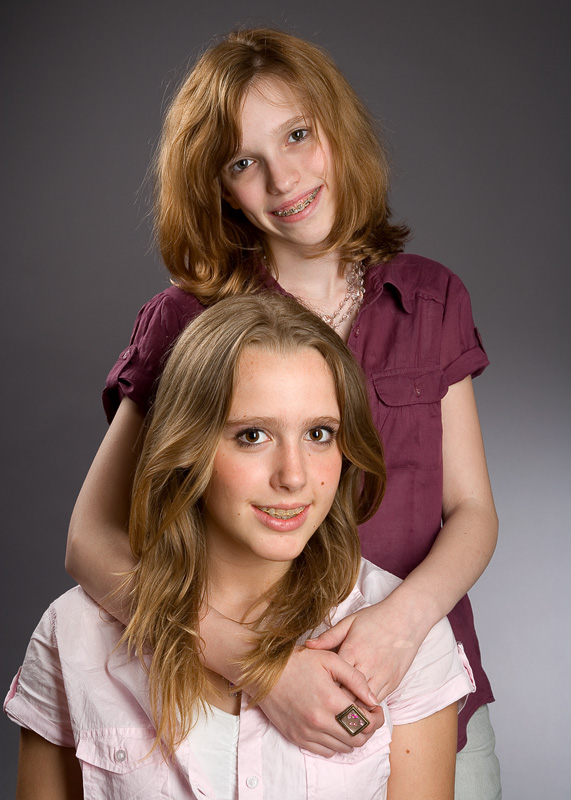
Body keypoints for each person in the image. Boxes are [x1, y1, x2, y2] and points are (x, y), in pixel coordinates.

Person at [65, 27, 500, 797]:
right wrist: (254, 665)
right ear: (217, 188)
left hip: (422, 695)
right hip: (234, 718)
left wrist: (401, 626)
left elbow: (471, 511)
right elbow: (90, 541)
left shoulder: (432, 298)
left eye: (297, 135)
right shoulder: (184, 322)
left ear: (336, 128)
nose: (283, 178)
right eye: (243, 162)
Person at [6, 294, 475, 799]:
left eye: (319, 433)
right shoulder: (74, 632)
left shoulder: (407, 643)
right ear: (188, 446)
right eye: (252, 435)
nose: (293, 476)